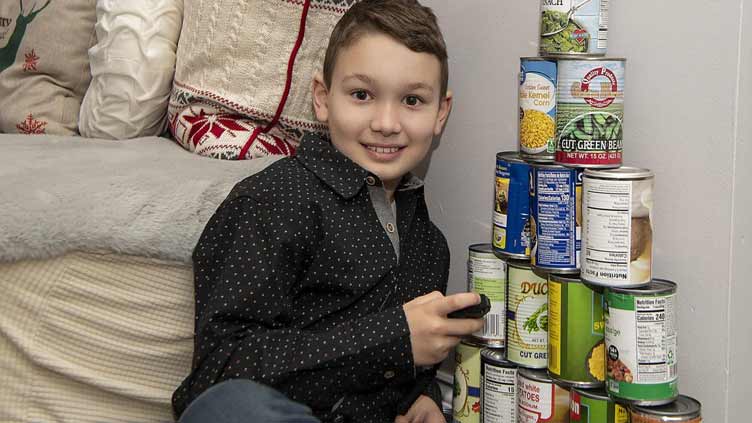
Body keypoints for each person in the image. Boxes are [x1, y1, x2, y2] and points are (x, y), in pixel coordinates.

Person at [172, 1, 484, 422]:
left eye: (412, 100)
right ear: (322, 98)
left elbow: (407, 364)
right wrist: (392, 339)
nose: (387, 122)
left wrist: (421, 396)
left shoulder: (429, 246)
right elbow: (218, 372)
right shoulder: (273, 201)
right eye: (362, 95)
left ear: (440, 113)